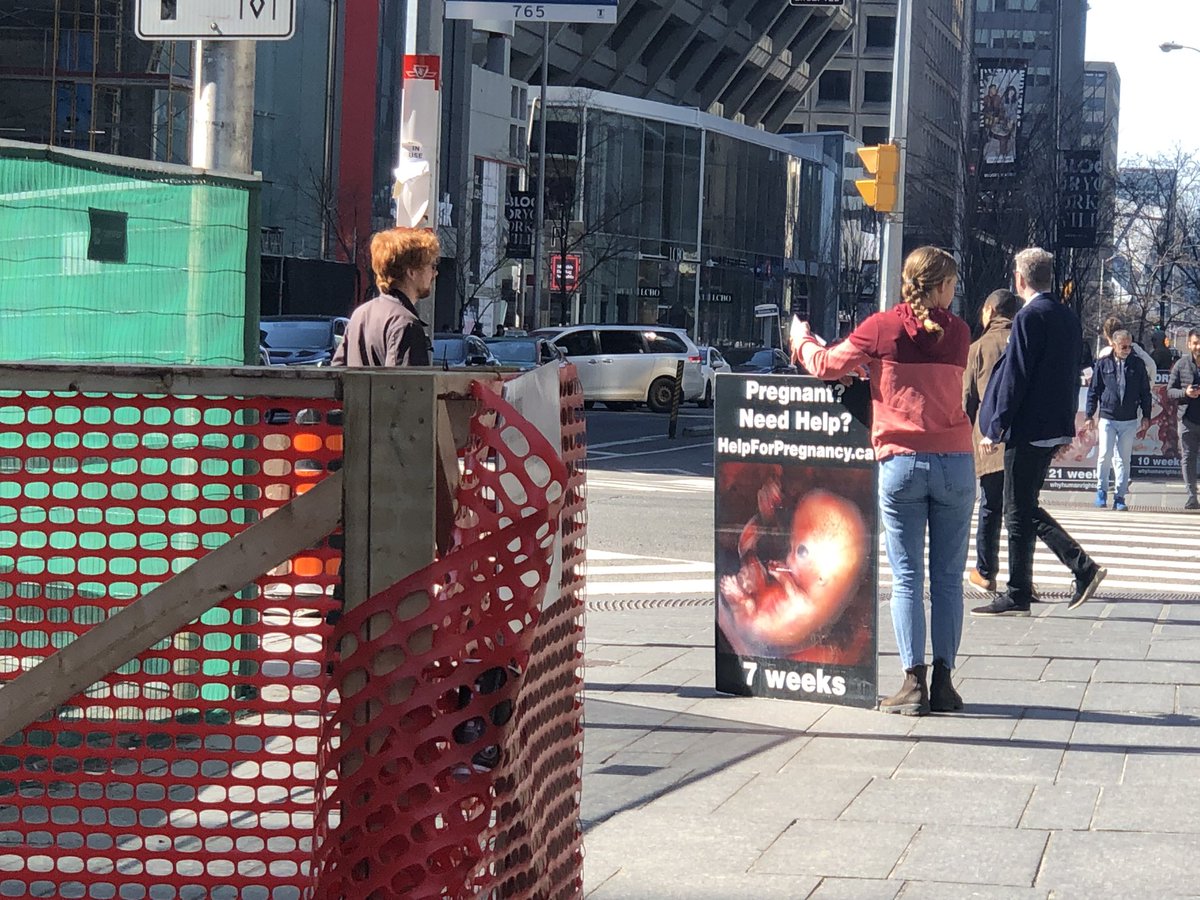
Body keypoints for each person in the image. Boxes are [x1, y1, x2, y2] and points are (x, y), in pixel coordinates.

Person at [792, 246, 973, 717]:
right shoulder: (959, 333)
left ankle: (913, 684)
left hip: (902, 463)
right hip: (955, 461)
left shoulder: (882, 327)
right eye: (951, 284)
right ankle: (946, 681)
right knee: (949, 579)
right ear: (938, 287)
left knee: (908, 577)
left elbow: (828, 365)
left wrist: (800, 340)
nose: (955, 292)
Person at [975, 247, 1107, 616]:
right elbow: (1068, 377)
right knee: (1024, 506)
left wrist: (996, 426)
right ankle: (1025, 585)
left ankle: (1073, 569)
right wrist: (1066, 428)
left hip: (1027, 427)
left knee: (1019, 511)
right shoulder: (1067, 317)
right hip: (1052, 425)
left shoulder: (1028, 318)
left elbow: (1016, 375)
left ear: (1020, 279)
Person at [962, 289, 1021, 592]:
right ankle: (1022, 577)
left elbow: (966, 401)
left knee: (990, 505)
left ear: (990, 310)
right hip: (1024, 439)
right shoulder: (1026, 342)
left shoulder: (979, 347)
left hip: (989, 440)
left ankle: (986, 570)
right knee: (1022, 509)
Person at [331, 227, 438, 367]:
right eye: (432, 266)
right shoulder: (406, 324)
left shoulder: (360, 314)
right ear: (411, 272)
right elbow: (407, 386)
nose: (435, 273)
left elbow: (337, 371)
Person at [1086, 329, 1152, 511]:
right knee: (1104, 455)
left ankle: (1120, 496)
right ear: (1114, 345)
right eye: (1123, 346)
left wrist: (1146, 415)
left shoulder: (1137, 364)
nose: (1127, 349)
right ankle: (1101, 491)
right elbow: (1094, 390)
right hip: (1108, 416)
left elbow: (1145, 392)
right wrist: (1089, 415)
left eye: (1129, 346)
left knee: (1124, 458)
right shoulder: (1103, 363)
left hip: (1129, 419)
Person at [1166, 328, 1200, 509]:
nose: (1198, 347)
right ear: (1189, 344)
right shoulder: (1181, 364)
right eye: (1195, 343)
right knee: (1188, 458)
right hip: (1187, 419)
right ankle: (1191, 496)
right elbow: (1169, 391)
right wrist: (1185, 393)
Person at [1094, 316, 1156, 386]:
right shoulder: (1135, 348)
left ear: (1106, 334)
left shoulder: (1104, 353)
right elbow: (1151, 365)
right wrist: (1147, 388)